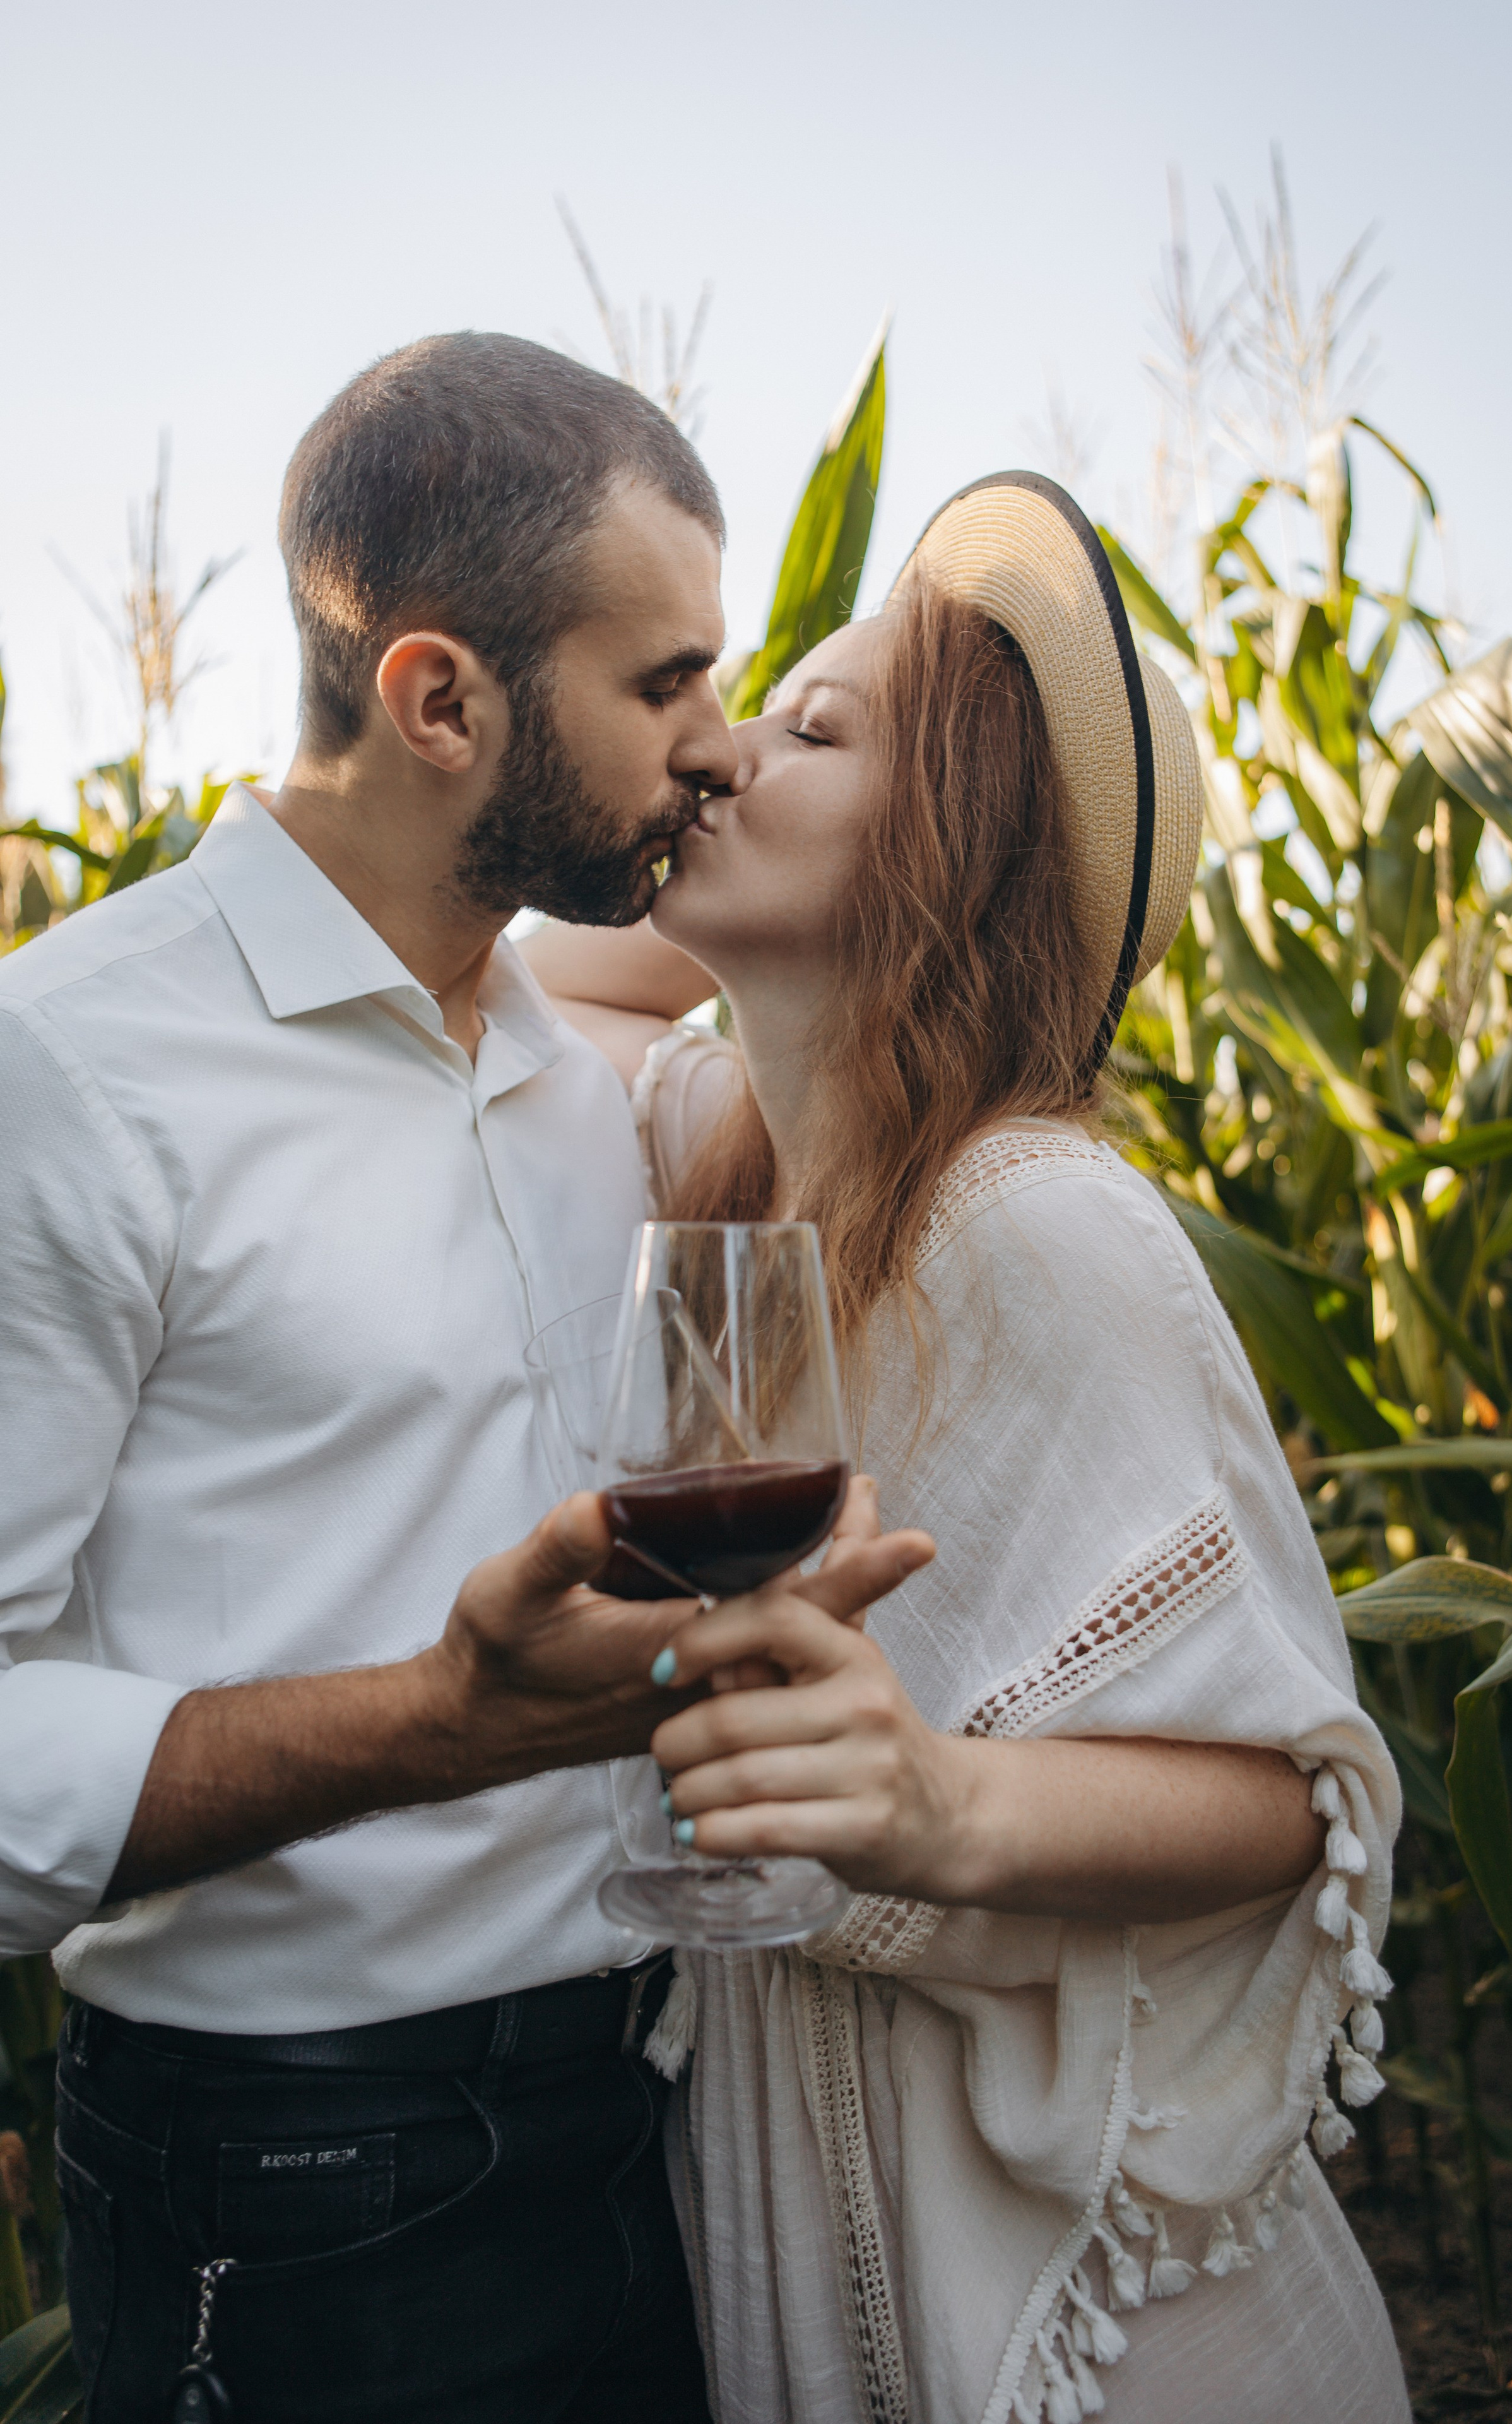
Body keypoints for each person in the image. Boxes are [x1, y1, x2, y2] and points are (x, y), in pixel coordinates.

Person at [0, 332, 922, 2424]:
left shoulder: (553, 1056)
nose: (720, 743)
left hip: (650, 2111)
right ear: (440, 698)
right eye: (665, 682)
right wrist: (438, 1725)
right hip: (293, 2178)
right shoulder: (71, 1073)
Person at [525, 472, 1410, 2423]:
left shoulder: (1028, 1217)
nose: (721, 750)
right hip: (810, 2178)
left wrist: (927, 1807)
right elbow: (512, 978)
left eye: (813, 730)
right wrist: (716, 821)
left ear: (961, 846)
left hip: (1092, 2301)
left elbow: (1281, 1797)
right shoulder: (725, 1159)